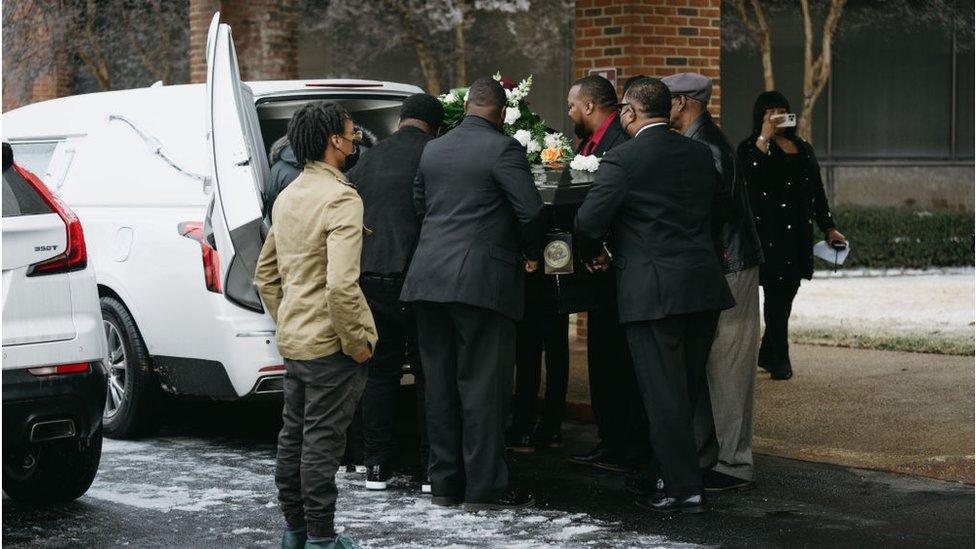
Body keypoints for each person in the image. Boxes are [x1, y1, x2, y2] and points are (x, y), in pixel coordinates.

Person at [574, 77, 734, 514]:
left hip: (653, 289)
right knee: (682, 391)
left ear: (628, 113)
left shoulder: (623, 159)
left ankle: (683, 488)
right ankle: (665, 474)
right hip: (702, 285)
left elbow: (588, 222)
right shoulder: (701, 153)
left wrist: (601, 253)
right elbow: (719, 208)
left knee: (661, 393)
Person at [400, 76, 545, 511]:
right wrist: (532, 254)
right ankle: (484, 490)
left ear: (465, 109)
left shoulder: (434, 148)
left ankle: (444, 485)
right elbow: (531, 211)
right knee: (483, 387)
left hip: (428, 279)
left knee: (439, 386)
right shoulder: (503, 149)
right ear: (501, 112)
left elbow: (420, 207)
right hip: (481, 283)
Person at [254, 101, 377, 549]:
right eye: (351, 133)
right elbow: (342, 286)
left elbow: (264, 275)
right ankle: (323, 539)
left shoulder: (289, 196)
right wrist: (357, 342)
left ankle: (296, 531)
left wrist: (289, 316)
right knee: (322, 444)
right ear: (334, 142)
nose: (356, 140)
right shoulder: (341, 198)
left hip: (296, 341)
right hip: (332, 346)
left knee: (294, 438)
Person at [664, 73, 765, 493]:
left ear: (684, 103)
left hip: (731, 267)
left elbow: (711, 214)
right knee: (711, 364)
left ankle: (735, 465)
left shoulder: (708, 147)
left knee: (729, 368)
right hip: (720, 265)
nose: (660, 108)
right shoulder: (702, 142)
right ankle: (710, 457)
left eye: (666, 101)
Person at [346, 93, 444, 492]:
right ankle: (427, 470)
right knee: (428, 375)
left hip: (371, 275)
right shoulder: (437, 155)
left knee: (380, 374)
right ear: (435, 126)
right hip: (420, 278)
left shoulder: (367, 158)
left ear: (401, 120)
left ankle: (376, 467)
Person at [563, 75, 650, 474]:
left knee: (619, 360)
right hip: (596, 268)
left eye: (572, 105)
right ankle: (610, 439)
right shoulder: (588, 143)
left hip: (619, 267)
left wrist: (601, 249)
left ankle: (625, 443)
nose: (569, 113)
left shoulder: (623, 142)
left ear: (591, 107)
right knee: (602, 357)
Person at [738, 91, 847, 381]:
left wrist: (829, 226)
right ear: (760, 116)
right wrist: (764, 137)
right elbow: (750, 175)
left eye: (781, 110)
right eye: (770, 111)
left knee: (786, 292)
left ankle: (768, 351)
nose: (777, 116)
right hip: (767, 233)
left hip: (796, 232)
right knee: (776, 294)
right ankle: (780, 359)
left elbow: (816, 192)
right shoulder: (750, 148)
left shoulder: (803, 147)